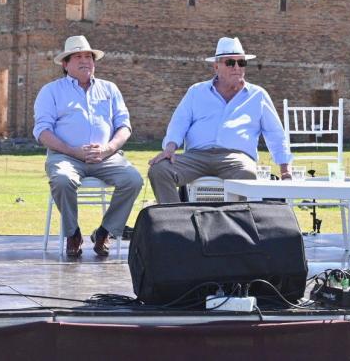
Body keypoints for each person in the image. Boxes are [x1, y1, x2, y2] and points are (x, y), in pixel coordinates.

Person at [33, 35, 143, 258]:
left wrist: (108, 149)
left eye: (88, 57)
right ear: (65, 64)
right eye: (78, 57)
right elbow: (42, 131)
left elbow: (124, 126)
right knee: (63, 180)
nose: (85, 61)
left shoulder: (109, 89)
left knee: (133, 180)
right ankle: (72, 233)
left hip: (107, 156)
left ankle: (105, 232)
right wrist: (72, 151)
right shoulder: (51, 91)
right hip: (66, 156)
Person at [148, 37, 290, 203]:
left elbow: (275, 134)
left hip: (236, 158)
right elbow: (179, 123)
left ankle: (233, 224)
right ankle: (176, 223)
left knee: (247, 174)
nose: (237, 67)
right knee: (159, 170)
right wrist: (170, 148)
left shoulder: (258, 95)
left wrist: (285, 170)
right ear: (216, 66)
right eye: (230, 62)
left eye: (241, 63)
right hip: (196, 156)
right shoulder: (196, 91)